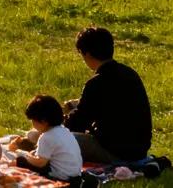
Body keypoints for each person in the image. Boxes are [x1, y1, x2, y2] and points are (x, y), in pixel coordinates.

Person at [63, 27, 152, 163]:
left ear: (86, 54)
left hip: (114, 151)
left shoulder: (96, 83)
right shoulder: (130, 73)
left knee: (58, 140)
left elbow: (78, 123)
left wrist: (60, 119)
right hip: (139, 150)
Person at [13, 95, 82, 181]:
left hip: (60, 177)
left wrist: (24, 155)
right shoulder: (64, 131)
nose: (32, 123)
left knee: (21, 160)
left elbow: (40, 163)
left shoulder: (47, 137)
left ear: (43, 121)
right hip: (75, 174)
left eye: (32, 119)